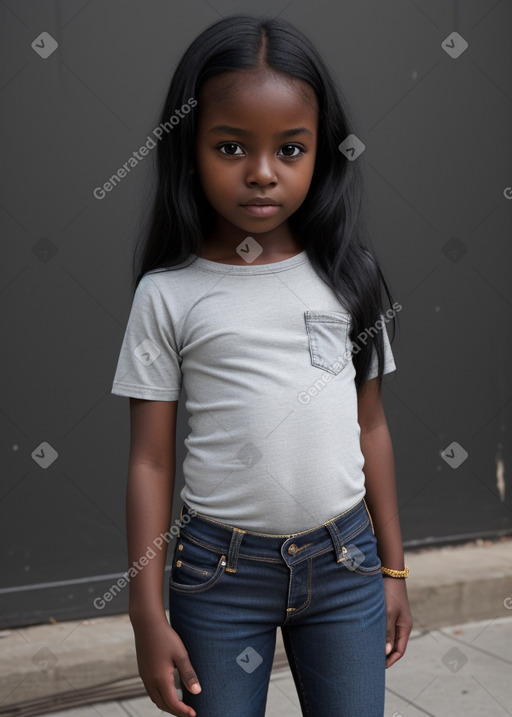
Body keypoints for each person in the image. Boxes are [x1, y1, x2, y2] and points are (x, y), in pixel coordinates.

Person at [111, 13, 413, 717]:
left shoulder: (352, 278)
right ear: (189, 149)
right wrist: (144, 612)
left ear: (321, 153)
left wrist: (393, 568)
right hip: (217, 577)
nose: (262, 173)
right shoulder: (168, 293)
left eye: (290, 148)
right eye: (230, 146)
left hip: (346, 567)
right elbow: (151, 462)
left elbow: (371, 428)